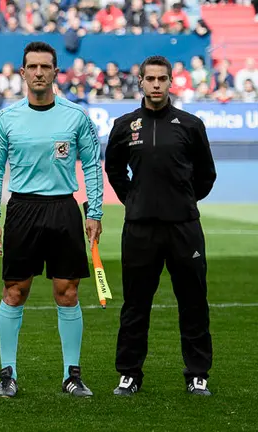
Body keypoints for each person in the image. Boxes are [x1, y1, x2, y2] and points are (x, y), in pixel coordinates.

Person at [0, 41, 103, 398]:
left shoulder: (76, 116)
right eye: (31, 67)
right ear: (22, 73)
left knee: (67, 293)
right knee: (14, 291)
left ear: (54, 72)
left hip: (63, 209)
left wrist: (93, 212)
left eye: (44, 67)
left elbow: (92, 167)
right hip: (22, 209)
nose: (38, 73)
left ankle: (72, 374)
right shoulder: (7, 118)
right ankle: (8, 374)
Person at [105, 55, 217, 397]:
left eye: (161, 79)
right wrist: (136, 200)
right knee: (135, 305)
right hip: (140, 229)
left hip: (184, 228)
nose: (156, 84)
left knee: (193, 302)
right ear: (140, 81)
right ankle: (129, 374)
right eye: (149, 78)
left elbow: (206, 175)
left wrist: (182, 202)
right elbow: (114, 171)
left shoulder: (191, 124)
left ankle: (197, 374)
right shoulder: (125, 126)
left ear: (170, 82)